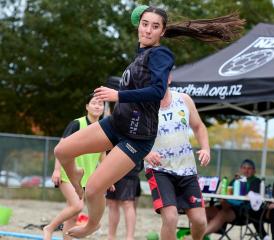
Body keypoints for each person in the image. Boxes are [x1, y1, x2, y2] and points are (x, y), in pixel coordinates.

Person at [54, 5, 244, 238]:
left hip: (137, 137)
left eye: (155, 26)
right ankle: (75, 176)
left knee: (94, 189)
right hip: (116, 124)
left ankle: (92, 225)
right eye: (145, 24)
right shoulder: (141, 55)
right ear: (138, 24)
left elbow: (156, 91)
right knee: (61, 150)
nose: (148, 30)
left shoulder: (161, 55)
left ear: (162, 32)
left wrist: (118, 95)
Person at [144, 74, 210, 240]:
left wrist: (206, 149)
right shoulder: (144, 104)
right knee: (171, 217)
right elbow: (131, 136)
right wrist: (146, 153)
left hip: (187, 169)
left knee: (200, 220)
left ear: (169, 78)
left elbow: (199, 126)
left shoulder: (184, 99)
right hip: (159, 170)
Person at [43, 94, 104, 240]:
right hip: (67, 173)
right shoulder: (77, 124)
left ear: (103, 109)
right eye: (94, 103)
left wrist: (110, 178)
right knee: (77, 206)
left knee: (73, 214)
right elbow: (61, 147)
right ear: (87, 106)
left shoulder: (103, 127)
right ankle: (49, 228)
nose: (97, 106)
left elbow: (103, 156)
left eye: (101, 104)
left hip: (86, 177)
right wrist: (57, 170)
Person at [205, 159, 270, 240]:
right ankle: (207, 235)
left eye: (249, 168)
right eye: (244, 168)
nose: (246, 170)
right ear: (241, 169)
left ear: (254, 171)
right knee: (205, 211)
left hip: (242, 212)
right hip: (226, 206)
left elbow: (254, 200)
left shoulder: (257, 182)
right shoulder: (235, 180)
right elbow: (227, 194)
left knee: (222, 214)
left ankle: (198, 236)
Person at [106, 162, 142, 240]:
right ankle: (111, 237)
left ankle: (130, 237)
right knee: (112, 203)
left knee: (128, 203)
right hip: (111, 166)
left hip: (129, 165)